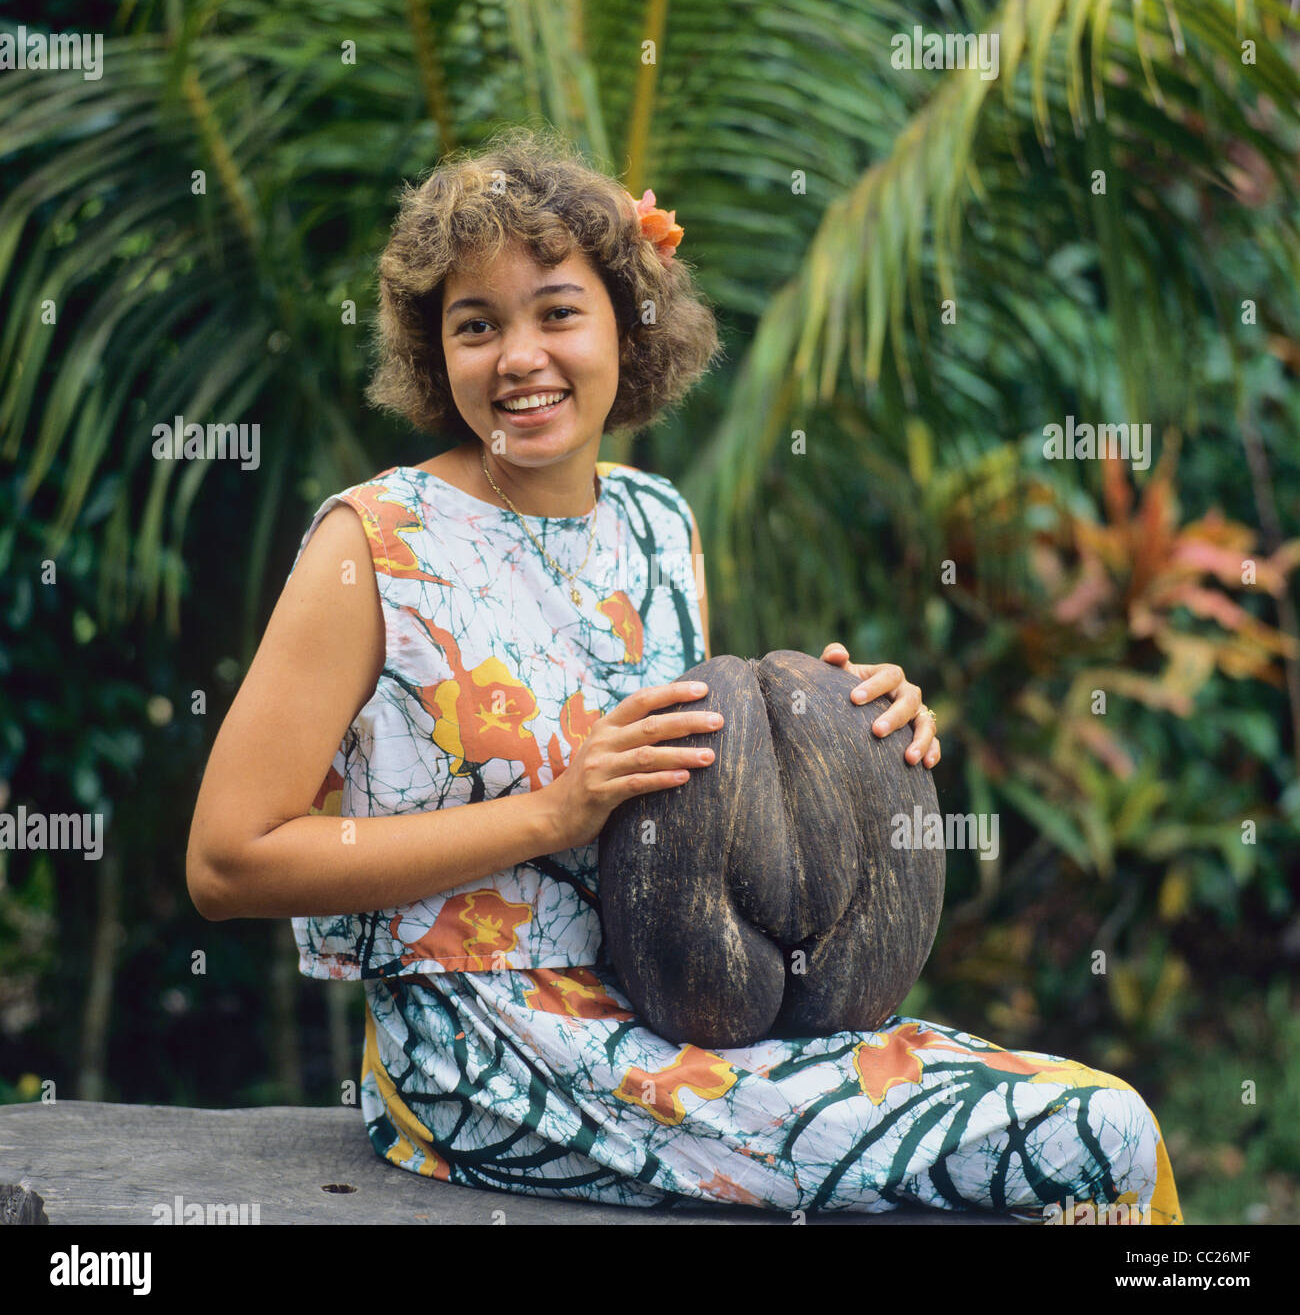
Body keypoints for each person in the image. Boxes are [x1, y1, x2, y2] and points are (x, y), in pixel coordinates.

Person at [186, 124, 1182, 1223]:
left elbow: (701, 796)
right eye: (477, 325)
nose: (519, 357)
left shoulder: (657, 525)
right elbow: (230, 861)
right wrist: (554, 811)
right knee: (1093, 1133)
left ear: (628, 324)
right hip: (480, 1056)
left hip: (669, 1013)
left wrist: (844, 734)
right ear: (437, 354)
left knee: (1074, 1108)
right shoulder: (373, 542)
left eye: (557, 311)